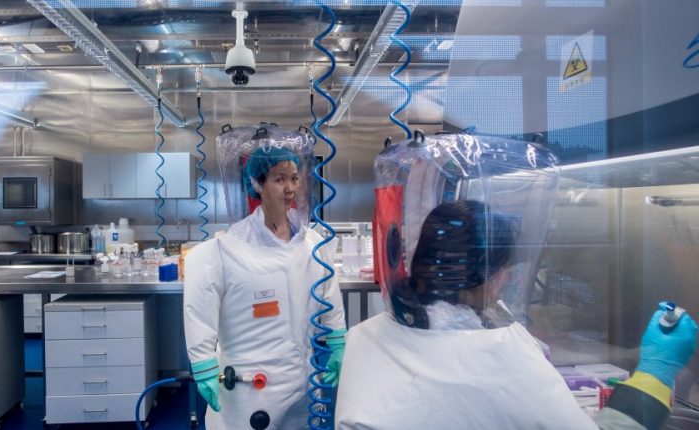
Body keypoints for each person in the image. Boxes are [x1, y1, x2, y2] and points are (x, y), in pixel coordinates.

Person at [335, 199, 698, 430]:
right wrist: (656, 370)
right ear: (493, 278)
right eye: (504, 271)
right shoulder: (504, 353)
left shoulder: (363, 337)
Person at [184, 142, 347, 430]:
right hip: (251, 387)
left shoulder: (310, 244)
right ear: (257, 184)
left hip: (303, 380)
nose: (290, 188)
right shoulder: (227, 248)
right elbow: (200, 306)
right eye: (279, 179)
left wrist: (336, 339)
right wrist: (203, 362)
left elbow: (328, 292)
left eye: (294, 178)